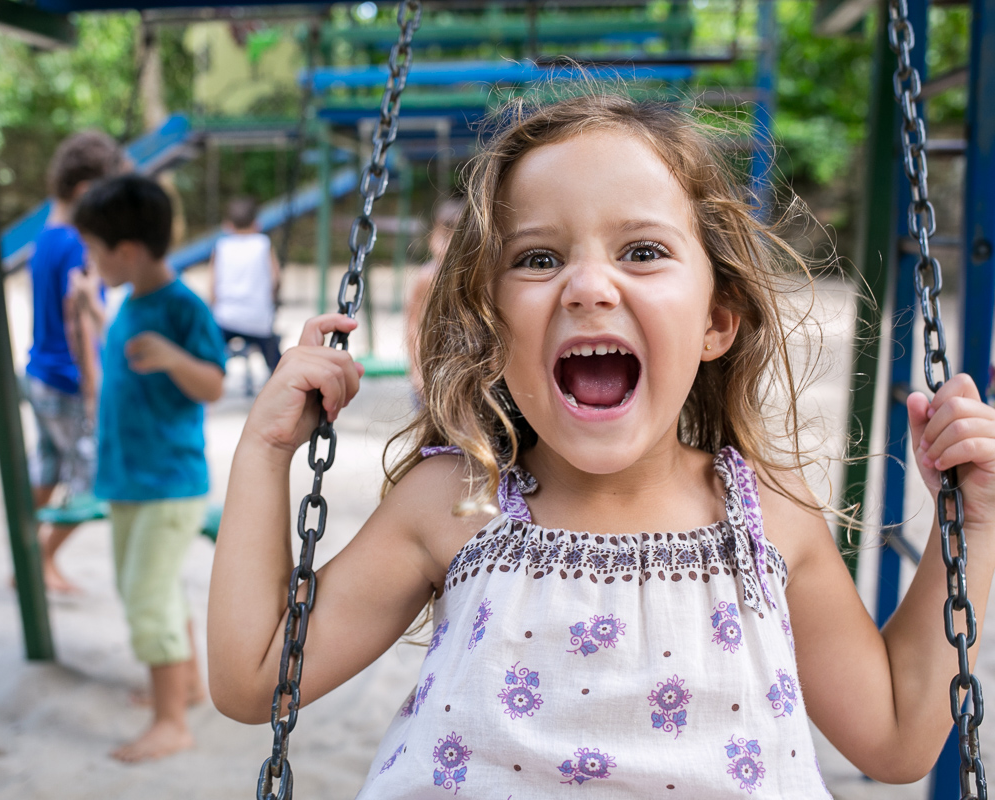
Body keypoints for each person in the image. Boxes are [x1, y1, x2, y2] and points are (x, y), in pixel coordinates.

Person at [206, 90, 995, 795]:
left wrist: (973, 526)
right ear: (492, 327)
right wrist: (265, 452)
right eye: (539, 258)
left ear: (718, 320)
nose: (587, 286)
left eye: (642, 251)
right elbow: (253, 678)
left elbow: (894, 737)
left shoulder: (769, 515)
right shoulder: (454, 504)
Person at [74, 175, 226, 763]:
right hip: (129, 478)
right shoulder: (129, 302)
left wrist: (172, 358)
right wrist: (91, 310)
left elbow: (212, 384)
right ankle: (184, 687)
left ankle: (171, 723)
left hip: (167, 482)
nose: (90, 259)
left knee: (146, 596)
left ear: (127, 251)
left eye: (94, 248)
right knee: (149, 589)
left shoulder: (182, 307)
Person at [24, 130, 122, 595]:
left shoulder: (47, 232)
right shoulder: (78, 246)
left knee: (45, 468)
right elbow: (78, 319)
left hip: (40, 374)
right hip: (68, 380)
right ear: (86, 193)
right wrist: (94, 386)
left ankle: (25, 556)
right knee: (93, 480)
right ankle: (39, 559)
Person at [208, 196, 283, 374]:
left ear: (227, 225)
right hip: (257, 319)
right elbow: (276, 278)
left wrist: (213, 306)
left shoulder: (221, 246)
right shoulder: (263, 244)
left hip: (225, 318)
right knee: (276, 362)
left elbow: (213, 285)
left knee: (210, 353)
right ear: (257, 224)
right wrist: (274, 300)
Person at [405, 197, 463, 395]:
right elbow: (413, 326)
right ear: (432, 237)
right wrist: (417, 371)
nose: (447, 247)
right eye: (443, 237)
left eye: (456, 239)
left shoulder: (470, 279)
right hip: (430, 370)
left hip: (458, 374)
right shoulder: (427, 277)